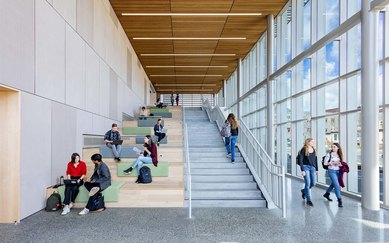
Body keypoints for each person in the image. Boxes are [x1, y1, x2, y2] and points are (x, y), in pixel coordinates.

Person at [298, 138, 318, 207]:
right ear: (308, 142)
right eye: (312, 141)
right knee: (308, 183)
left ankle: (304, 191)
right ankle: (308, 200)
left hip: (313, 168)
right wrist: (302, 170)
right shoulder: (304, 149)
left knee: (313, 183)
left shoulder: (314, 149)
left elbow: (315, 160)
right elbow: (300, 160)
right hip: (305, 167)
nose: (313, 143)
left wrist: (317, 169)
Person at [323, 143, 344, 207]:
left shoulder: (339, 154)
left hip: (338, 171)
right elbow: (325, 163)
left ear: (338, 147)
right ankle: (339, 200)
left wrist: (339, 164)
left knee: (333, 184)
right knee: (337, 185)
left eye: (334, 147)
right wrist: (332, 163)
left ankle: (327, 193)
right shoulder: (329, 154)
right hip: (331, 171)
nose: (333, 148)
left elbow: (341, 164)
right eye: (332, 147)